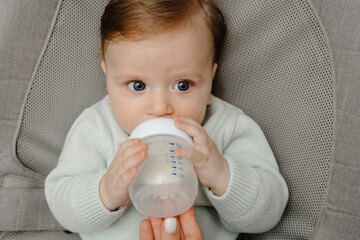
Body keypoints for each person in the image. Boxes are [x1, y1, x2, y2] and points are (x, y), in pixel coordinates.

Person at [45, 0, 289, 239]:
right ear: (108, 79)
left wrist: (221, 174)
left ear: (210, 78)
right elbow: (62, 205)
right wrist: (106, 191)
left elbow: (269, 213)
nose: (160, 107)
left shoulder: (228, 127)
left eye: (183, 85)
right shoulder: (96, 128)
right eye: (137, 85)